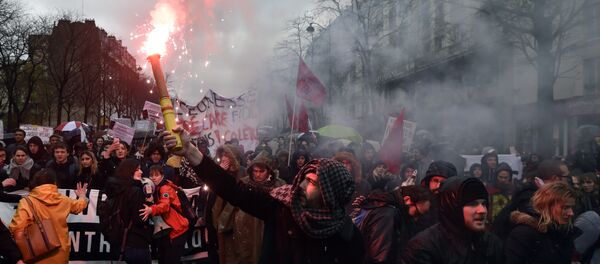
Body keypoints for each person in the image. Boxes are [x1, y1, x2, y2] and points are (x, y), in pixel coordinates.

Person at [162, 127, 365, 263]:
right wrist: (190, 151)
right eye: (305, 178)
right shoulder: (281, 206)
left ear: (330, 192)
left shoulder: (348, 235)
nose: (302, 185)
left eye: (312, 182)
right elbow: (231, 189)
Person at [401, 177, 504, 264]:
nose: (482, 210)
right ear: (452, 207)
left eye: (484, 204)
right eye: (472, 204)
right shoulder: (423, 248)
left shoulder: (492, 244)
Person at [9, 169, 88, 263]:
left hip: (36, 254)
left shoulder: (27, 202)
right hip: (61, 253)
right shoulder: (64, 200)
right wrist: (82, 196)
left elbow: (17, 228)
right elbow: (78, 207)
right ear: (54, 182)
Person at [353, 185, 431, 264]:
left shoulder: (390, 209)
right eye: (417, 213)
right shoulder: (387, 215)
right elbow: (380, 258)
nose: (416, 218)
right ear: (407, 199)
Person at [232, 154, 286, 264]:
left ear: (269, 171)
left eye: (261, 171)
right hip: (246, 227)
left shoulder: (279, 185)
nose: (257, 174)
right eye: (255, 171)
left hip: (269, 227)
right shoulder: (244, 183)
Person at [505, 182, 578, 263]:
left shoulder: (564, 232)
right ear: (547, 206)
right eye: (565, 207)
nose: (571, 213)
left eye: (571, 207)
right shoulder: (523, 234)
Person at [492, 159, 563, 240]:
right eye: (564, 177)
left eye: (506, 177)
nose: (503, 180)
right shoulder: (530, 197)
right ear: (555, 178)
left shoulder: (532, 192)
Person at [104, 158, 152, 263]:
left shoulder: (114, 191)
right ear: (129, 171)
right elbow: (140, 219)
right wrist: (149, 204)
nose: (141, 172)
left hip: (118, 245)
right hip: (136, 244)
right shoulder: (135, 191)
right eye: (137, 169)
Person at [139, 165, 189, 264]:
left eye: (156, 175)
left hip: (176, 230)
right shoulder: (157, 188)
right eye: (151, 175)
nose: (153, 177)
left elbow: (165, 205)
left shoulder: (165, 188)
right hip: (170, 231)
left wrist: (151, 209)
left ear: (162, 176)